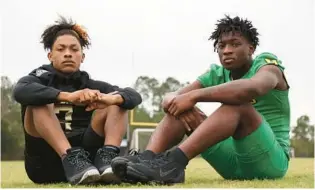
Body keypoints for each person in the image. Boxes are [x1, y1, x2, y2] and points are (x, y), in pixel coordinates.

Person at [111, 15, 290, 184]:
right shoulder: (217, 73)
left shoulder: (267, 66)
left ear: (251, 48)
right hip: (231, 164)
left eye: (235, 44)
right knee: (181, 109)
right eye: (222, 46)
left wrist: (193, 96)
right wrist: (176, 100)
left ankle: (173, 164)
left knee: (238, 106)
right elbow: (172, 99)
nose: (227, 50)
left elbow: (253, 88)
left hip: (270, 162)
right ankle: (146, 160)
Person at [13, 16, 142, 185]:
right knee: (38, 102)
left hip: (88, 163)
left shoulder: (90, 85)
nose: (68, 53)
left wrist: (106, 98)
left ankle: (107, 159)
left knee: (117, 100)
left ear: (82, 57)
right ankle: (69, 157)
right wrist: (68, 96)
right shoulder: (37, 79)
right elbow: (20, 90)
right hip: (44, 165)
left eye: (74, 49)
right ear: (50, 55)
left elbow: (134, 96)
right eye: (61, 49)